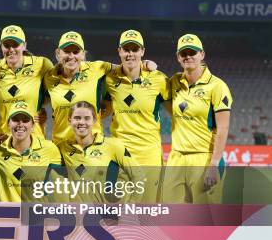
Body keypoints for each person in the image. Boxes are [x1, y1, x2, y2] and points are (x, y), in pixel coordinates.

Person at [44, 31, 159, 145]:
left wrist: (144, 63)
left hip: (93, 147)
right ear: (58, 53)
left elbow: (126, 68)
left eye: (76, 52)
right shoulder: (48, 77)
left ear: (83, 54)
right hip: (61, 147)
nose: (71, 56)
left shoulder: (97, 69)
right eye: (66, 51)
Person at [102, 30, 170, 203]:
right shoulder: (109, 80)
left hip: (150, 156)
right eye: (126, 49)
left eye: (135, 49)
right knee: (119, 215)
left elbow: (178, 112)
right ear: (119, 51)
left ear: (142, 51)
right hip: (121, 157)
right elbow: (102, 109)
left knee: (148, 215)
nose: (130, 53)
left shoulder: (159, 80)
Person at [163, 34, 232, 204]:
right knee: (171, 218)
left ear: (202, 54)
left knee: (205, 220)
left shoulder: (217, 86)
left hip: (204, 158)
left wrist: (214, 164)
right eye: (183, 53)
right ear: (178, 57)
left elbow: (223, 129)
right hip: (176, 158)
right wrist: (146, 65)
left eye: (192, 52)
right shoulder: (174, 82)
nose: (188, 56)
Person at [56, 101, 145, 204]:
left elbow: (139, 176)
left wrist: (130, 208)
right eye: (77, 118)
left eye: (87, 118)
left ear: (94, 120)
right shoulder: (62, 148)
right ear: (69, 120)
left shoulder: (112, 145)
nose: (81, 122)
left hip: (108, 216)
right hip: (78, 216)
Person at [0, 101, 61, 202]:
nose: (20, 124)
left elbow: (57, 187)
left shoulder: (49, 148)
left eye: (25, 120)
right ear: (8, 124)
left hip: (35, 214)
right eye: (15, 120)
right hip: (6, 215)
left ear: (32, 125)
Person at [0, 25, 54, 138]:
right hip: (4, 139)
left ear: (24, 45)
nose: (11, 49)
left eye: (15, 45)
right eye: (6, 45)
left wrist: (43, 110)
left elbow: (58, 91)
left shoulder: (42, 64)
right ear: (1, 47)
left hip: (33, 138)